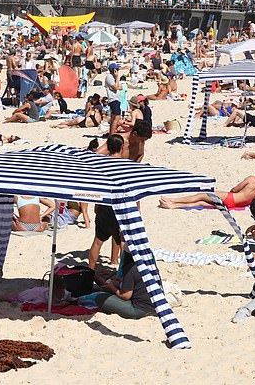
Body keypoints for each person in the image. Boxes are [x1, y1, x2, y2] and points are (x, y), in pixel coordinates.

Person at [89, 135, 126, 270]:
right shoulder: (126, 166)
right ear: (122, 147)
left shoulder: (102, 166)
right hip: (119, 208)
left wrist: (96, 205)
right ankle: (122, 275)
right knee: (122, 241)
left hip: (104, 206)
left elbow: (98, 187)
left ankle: (90, 270)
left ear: (108, 147)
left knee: (97, 241)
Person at [160, 165, 255, 209]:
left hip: (231, 198)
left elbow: (235, 189)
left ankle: (173, 200)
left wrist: (228, 193)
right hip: (237, 204)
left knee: (201, 195)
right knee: (201, 203)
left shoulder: (251, 178)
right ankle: (173, 206)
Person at [92, 252, 156, 319]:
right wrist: (114, 277)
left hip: (139, 310)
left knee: (100, 297)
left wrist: (112, 287)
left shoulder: (131, 269)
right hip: (155, 306)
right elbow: (135, 284)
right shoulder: (150, 266)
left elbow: (125, 296)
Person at [105, 63, 122, 135]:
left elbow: (120, 87)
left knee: (115, 117)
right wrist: (117, 77)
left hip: (117, 98)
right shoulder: (109, 77)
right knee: (116, 116)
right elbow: (115, 87)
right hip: (113, 98)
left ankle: (111, 133)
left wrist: (116, 85)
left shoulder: (113, 77)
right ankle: (112, 133)